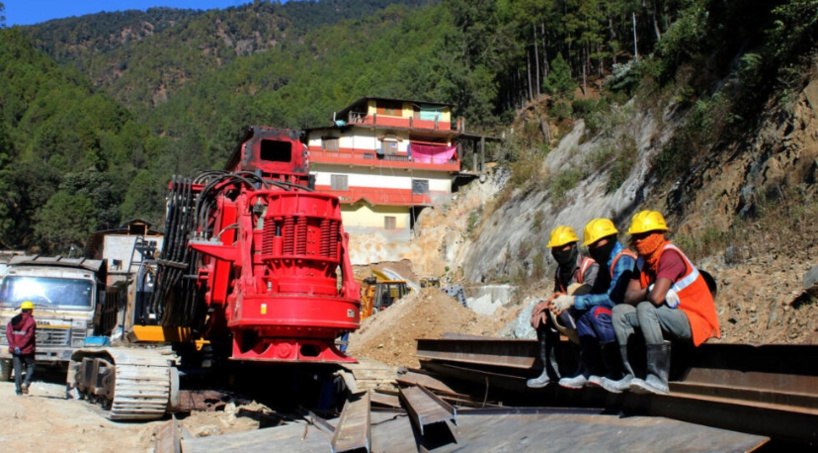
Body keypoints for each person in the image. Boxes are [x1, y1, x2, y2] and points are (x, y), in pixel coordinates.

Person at [608, 210, 720, 395]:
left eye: (643, 235)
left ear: (658, 235)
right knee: (620, 312)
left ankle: (658, 378)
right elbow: (628, 297)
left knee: (645, 307)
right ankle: (632, 375)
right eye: (636, 236)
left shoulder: (669, 255)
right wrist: (650, 289)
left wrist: (650, 292)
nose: (638, 241)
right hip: (669, 315)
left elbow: (656, 298)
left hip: (694, 320)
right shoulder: (643, 261)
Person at [551, 218, 637, 390]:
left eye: (597, 243)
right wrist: (572, 304)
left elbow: (613, 297)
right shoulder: (606, 262)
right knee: (582, 312)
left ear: (611, 238)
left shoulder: (623, 260)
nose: (593, 248)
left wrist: (574, 300)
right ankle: (591, 370)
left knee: (595, 313)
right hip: (615, 310)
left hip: (628, 312)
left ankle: (616, 371)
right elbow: (595, 292)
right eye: (591, 245)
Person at [527, 226, 598, 388]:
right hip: (568, 313)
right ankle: (550, 370)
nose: (558, 252)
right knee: (544, 317)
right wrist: (545, 307)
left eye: (562, 248)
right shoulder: (561, 270)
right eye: (555, 249)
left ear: (573, 247)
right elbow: (556, 294)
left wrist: (554, 303)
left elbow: (589, 296)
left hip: (586, 314)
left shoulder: (589, 267)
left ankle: (585, 367)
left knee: (571, 314)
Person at [7, 300, 37, 396]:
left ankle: (18, 391)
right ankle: (26, 382)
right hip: (27, 350)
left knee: (17, 370)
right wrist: (20, 346)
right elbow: (29, 336)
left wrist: (14, 346)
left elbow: (9, 334)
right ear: (29, 311)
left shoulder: (14, 320)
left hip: (15, 350)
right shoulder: (31, 321)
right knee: (31, 365)